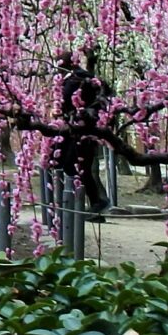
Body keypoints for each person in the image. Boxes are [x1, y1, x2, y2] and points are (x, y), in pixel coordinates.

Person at [56, 49, 114, 219]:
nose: (57, 68)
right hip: (77, 128)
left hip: (85, 129)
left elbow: (73, 100)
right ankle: (92, 204)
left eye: (59, 63)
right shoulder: (77, 77)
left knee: (76, 166)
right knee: (75, 166)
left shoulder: (78, 78)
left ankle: (95, 202)